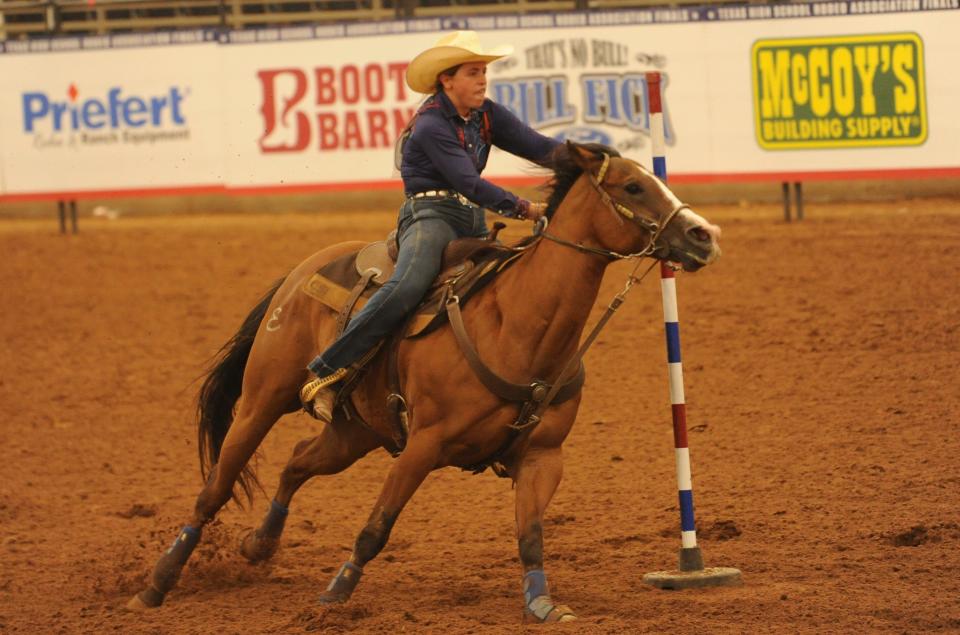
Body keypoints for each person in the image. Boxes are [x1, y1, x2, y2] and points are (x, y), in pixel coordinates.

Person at [301, 30, 560, 421]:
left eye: (483, 71)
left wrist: (593, 161)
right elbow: (468, 182)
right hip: (430, 217)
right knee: (408, 286)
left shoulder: (486, 114)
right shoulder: (431, 125)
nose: (482, 79)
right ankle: (325, 371)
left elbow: (540, 147)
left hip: (471, 219)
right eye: (473, 72)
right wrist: (525, 208)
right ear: (447, 79)